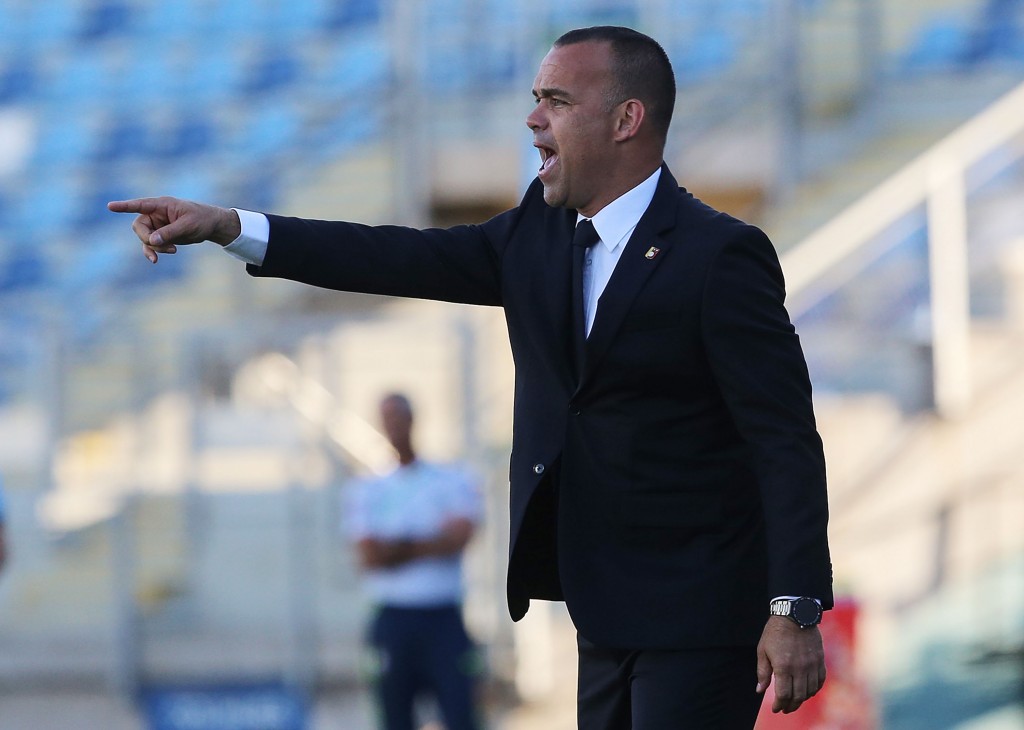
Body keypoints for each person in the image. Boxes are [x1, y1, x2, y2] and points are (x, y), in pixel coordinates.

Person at [110, 25, 832, 729]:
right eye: (535, 99)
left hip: (703, 610)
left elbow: (785, 440)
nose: (533, 119)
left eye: (556, 101)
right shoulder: (539, 235)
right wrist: (230, 227)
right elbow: (390, 256)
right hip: (601, 610)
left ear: (626, 120)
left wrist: (794, 607)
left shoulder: (720, 256)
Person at [346, 393, 483, 730]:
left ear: (412, 419)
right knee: (394, 716)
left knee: (461, 715)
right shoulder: (367, 488)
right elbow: (371, 556)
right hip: (393, 619)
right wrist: (431, 541)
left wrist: (397, 547)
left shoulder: (450, 479)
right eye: (387, 418)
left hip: (443, 617)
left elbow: (459, 539)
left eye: (399, 416)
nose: (394, 425)